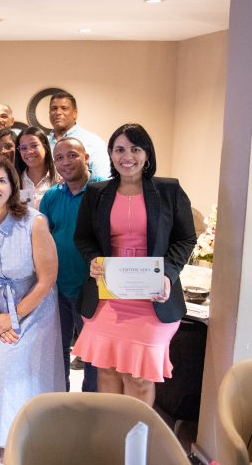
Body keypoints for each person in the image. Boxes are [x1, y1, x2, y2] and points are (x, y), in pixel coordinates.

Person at [73, 123, 196, 405]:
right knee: (107, 372)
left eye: (135, 148)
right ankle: (112, 441)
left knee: (139, 378)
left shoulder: (169, 190)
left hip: (153, 297)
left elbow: (186, 238)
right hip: (107, 297)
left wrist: (167, 274)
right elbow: (83, 237)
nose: (126, 156)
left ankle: (136, 445)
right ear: (111, 155)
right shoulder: (97, 193)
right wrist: (92, 259)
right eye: (119, 149)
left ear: (147, 154)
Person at [0, 157, 64, 462]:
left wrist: (13, 316)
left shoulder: (34, 222)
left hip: (31, 305)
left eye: (1, 181)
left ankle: (15, 439)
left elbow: (47, 279)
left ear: (13, 186)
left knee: (14, 370)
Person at [38, 138, 104, 393]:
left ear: (86, 157)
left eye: (72, 155)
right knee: (58, 348)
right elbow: (43, 238)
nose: (65, 162)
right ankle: (60, 400)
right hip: (57, 287)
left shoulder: (103, 192)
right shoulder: (52, 196)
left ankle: (90, 407)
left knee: (92, 354)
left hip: (93, 289)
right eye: (59, 158)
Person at [47, 91, 111, 179]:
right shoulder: (43, 144)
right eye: (54, 108)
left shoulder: (93, 142)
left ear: (75, 114)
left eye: (64, 108)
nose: (58, 112)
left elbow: (103, 180)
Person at [15, 127, 57, 209]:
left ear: (45, 147)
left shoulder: (59, 176)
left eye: (34, 146)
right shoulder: (16, 180)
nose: (29, 152)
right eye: (23, 148)